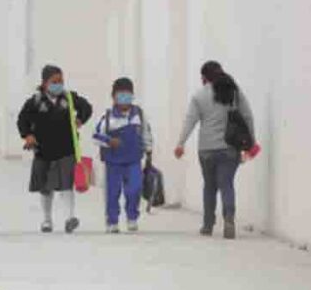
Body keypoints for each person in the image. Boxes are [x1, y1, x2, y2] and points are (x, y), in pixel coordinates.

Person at [174, 61, 257, 239]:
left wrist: (180, 143)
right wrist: (252, 142)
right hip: (229, 148)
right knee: (226, 184)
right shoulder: (233, 91)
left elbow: (190, 120)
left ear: (204, 77)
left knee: (209, 186)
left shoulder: (199, 96)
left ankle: (208, 224)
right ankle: (229, 218)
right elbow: (248, 116)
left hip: (206, 150)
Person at [17, 65, 93, 234]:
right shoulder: (35, 102)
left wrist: (80, 119)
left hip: (66, 150)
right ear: (45, 83)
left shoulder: (69, 98)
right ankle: (47, 220)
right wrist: (27, 135)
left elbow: (87, 108)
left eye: (61, 81)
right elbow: (22, 120)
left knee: (67, 185)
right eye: (54, 81)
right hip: (43, 151)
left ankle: (69, 218)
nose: (58, 85)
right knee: (45, 188)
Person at [92, 77, 154, 234]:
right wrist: (109, 141)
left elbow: (146, 133)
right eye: (121, 95)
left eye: (128, 94)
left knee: (135, 189)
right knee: (112, 192)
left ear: (132, 95)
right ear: (113, 97)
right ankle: (112, 221)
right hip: (113, 162)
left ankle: (132, 217)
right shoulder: (108, 117)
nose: (124, 98)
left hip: (133, 160)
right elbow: (95, 136)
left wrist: (149, 151)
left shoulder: (139, 115)